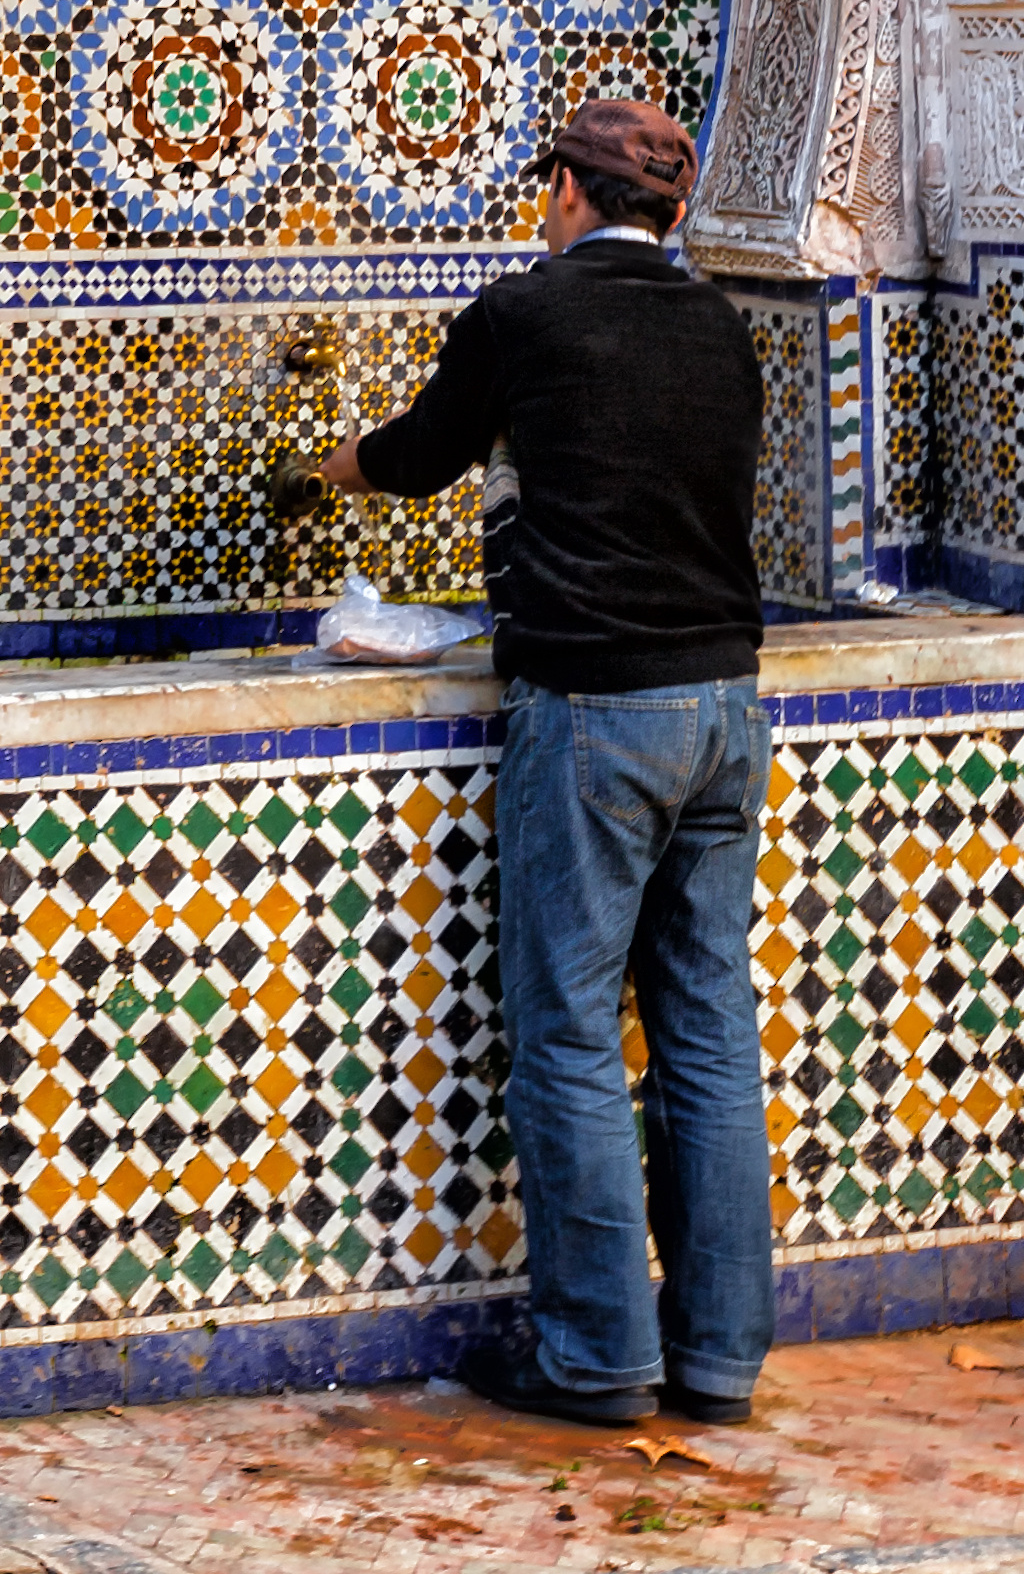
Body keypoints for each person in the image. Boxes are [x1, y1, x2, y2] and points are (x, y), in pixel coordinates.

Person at [293, 96, 770, 1432]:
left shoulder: (527, 313)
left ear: (566, 190)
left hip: (597, 712)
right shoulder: (723, 329)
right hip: (726, 710)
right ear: (668, 212)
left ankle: (597, 1358)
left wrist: (328, 473)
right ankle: (720, 1361)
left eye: (548, 182)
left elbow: (419, 453)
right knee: (708, 1035)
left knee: (564, 1035)